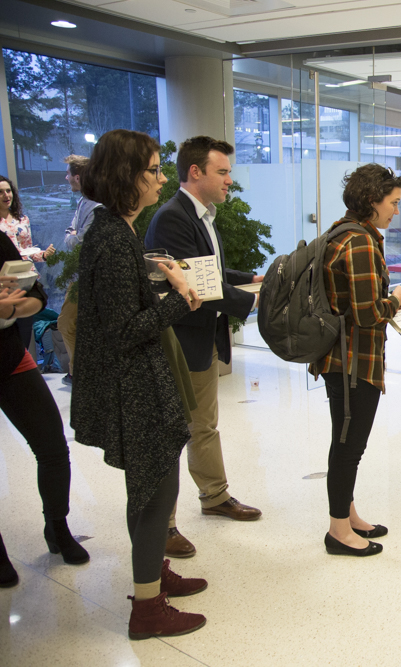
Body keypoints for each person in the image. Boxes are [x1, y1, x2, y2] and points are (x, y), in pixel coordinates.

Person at [72, 129, 208, 638]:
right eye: (154, 170)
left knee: (154, 485)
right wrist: (182, 299)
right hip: (133, 387)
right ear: (128, 177)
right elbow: (124, 330)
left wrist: (159, 274)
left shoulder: (117, 231)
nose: (162, 178)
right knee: (155, 491)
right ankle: (147, 608)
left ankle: (154, 575)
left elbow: (121, 299)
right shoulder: (110, 240)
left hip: (138, 382)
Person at [145, 136, 263, 559]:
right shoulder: (172, 217)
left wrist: (252, 276)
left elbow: (207, 268)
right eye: (223, 171)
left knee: (204, 425)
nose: (230, 179)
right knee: (175, 433)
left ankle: (214, 496)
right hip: (179, 341)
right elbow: (195, 285)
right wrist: (252, 301)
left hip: (201, 339)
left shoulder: (202, 215)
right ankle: (166, 524)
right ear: (195, 173)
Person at [308, 163, 401, 557]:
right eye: (393, 202)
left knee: (346, 441)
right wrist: (397, 301)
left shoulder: (345, 231)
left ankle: (347, 514)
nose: (395, 211)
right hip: (353, 360)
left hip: (341, 358)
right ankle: (338, 531)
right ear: (372, 201)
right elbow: (368, 313)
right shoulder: (361, 243)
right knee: (349, 446)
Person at [0, 231, 90, 589]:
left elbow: (36, 297)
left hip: (9, 356)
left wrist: (9, 308)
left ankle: (57, 526)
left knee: (53, 447)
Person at [58, 155, 100, 385]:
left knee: (66, 322)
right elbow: (71, 231)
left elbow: (79, 240)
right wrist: (73, 236)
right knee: (69, 323)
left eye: (68, 175)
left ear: (77, 177)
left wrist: (72, 237)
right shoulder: (82, 202)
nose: (66, 178)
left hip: (88, 277)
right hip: (78, 274)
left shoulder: (97, 206)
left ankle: (81, 373)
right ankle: (79, 372)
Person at [0, 175, 55, 348]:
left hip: (25, 279)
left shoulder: (22, 219)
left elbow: (27, 250)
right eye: (0, 192)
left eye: (8, 191)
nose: (6, 195)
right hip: (4, 281)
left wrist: (43, 255)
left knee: (24, 330)